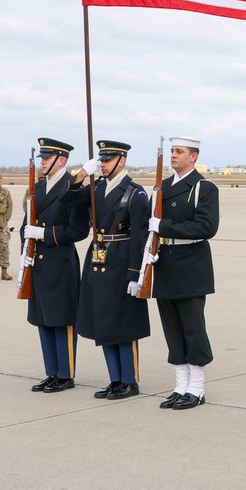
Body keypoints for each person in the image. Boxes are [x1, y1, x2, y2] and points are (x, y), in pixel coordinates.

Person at [64, 141, 151, 400]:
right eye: (100, 160)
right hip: (98, 258)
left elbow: (139, 237)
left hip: (122, 261)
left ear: (121, 161)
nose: (102, 164)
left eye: (107, 159)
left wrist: (135, 274)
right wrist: (82, 174)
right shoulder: (96, 187)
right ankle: (115, 379)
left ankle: (129, 381)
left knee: (123, 322)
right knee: (104, 321)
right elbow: (68, 200)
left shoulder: (135, 193)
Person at [148, 136, 220, 411]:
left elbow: (206, 227)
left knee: (192, 328)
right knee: (172, 329)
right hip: (164, 263)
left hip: (190, 266)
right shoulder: (163, 187)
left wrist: (164, 226)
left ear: (194, 156)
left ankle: (196, 389)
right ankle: (180, 386)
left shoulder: (204, 188)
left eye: (179, 151)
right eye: (172, 151)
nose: (173, 155)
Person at [20, 138, 89, 392]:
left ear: (61, 160)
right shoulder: (38, 187)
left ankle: (65, 374)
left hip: (60, 262)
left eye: (47, 158)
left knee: (62, 319)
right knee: (43, 319)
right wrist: (24, 253)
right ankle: (52, 372)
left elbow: (78, 230)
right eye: (42, 158)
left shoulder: (73, 188)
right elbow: (27, 225)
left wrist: (45, 234)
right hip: (38, 263)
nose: (43, 162)